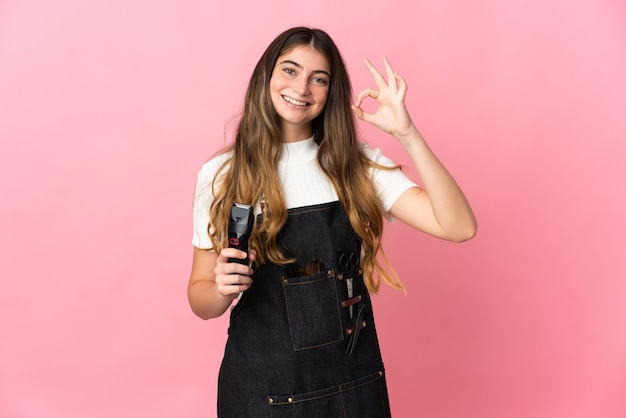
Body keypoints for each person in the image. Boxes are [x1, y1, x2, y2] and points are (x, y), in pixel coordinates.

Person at [188, 26, 476, 417]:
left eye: (318, 79)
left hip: (353, 385)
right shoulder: (222, 173)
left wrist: (407, 134)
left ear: (331, 92)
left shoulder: (356, 163)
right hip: (263, 391)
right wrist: (222, 288)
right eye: (290, 70)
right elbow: (201, 300)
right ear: (266, 76)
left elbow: (459, 226)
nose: (301, 88)